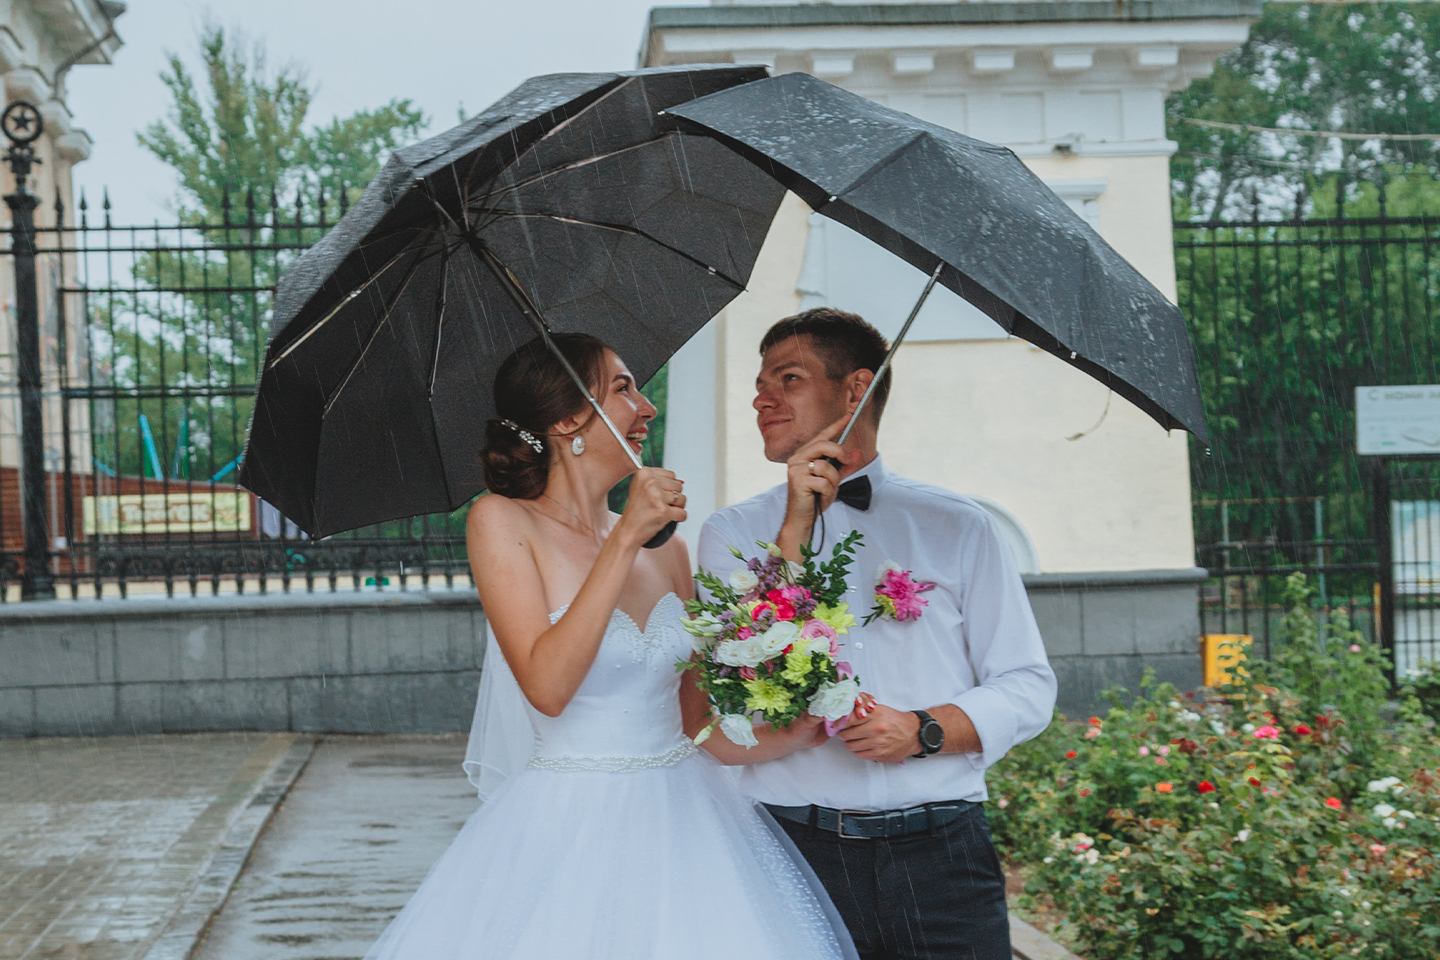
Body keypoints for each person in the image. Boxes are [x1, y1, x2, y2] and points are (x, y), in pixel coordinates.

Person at [363, 333, 856, 960]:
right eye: (624, 388)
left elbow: (699, 725)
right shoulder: (503, 521)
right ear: (569, 417)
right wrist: (623, 539)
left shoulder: (671, 553)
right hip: (571, 832)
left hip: (691, 829)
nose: (647, 407)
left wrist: (787, 736)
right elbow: (547, 687)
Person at [691, 308, 1058, 960]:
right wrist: (793, 533)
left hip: (943, 858)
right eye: (759, 381)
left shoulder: (959, 527)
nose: (760, 397)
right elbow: (735, 701)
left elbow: (1029, 686)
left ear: (856, 389)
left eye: (788, 377)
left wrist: (924, 729)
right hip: (787, 851)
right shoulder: (728, 534)